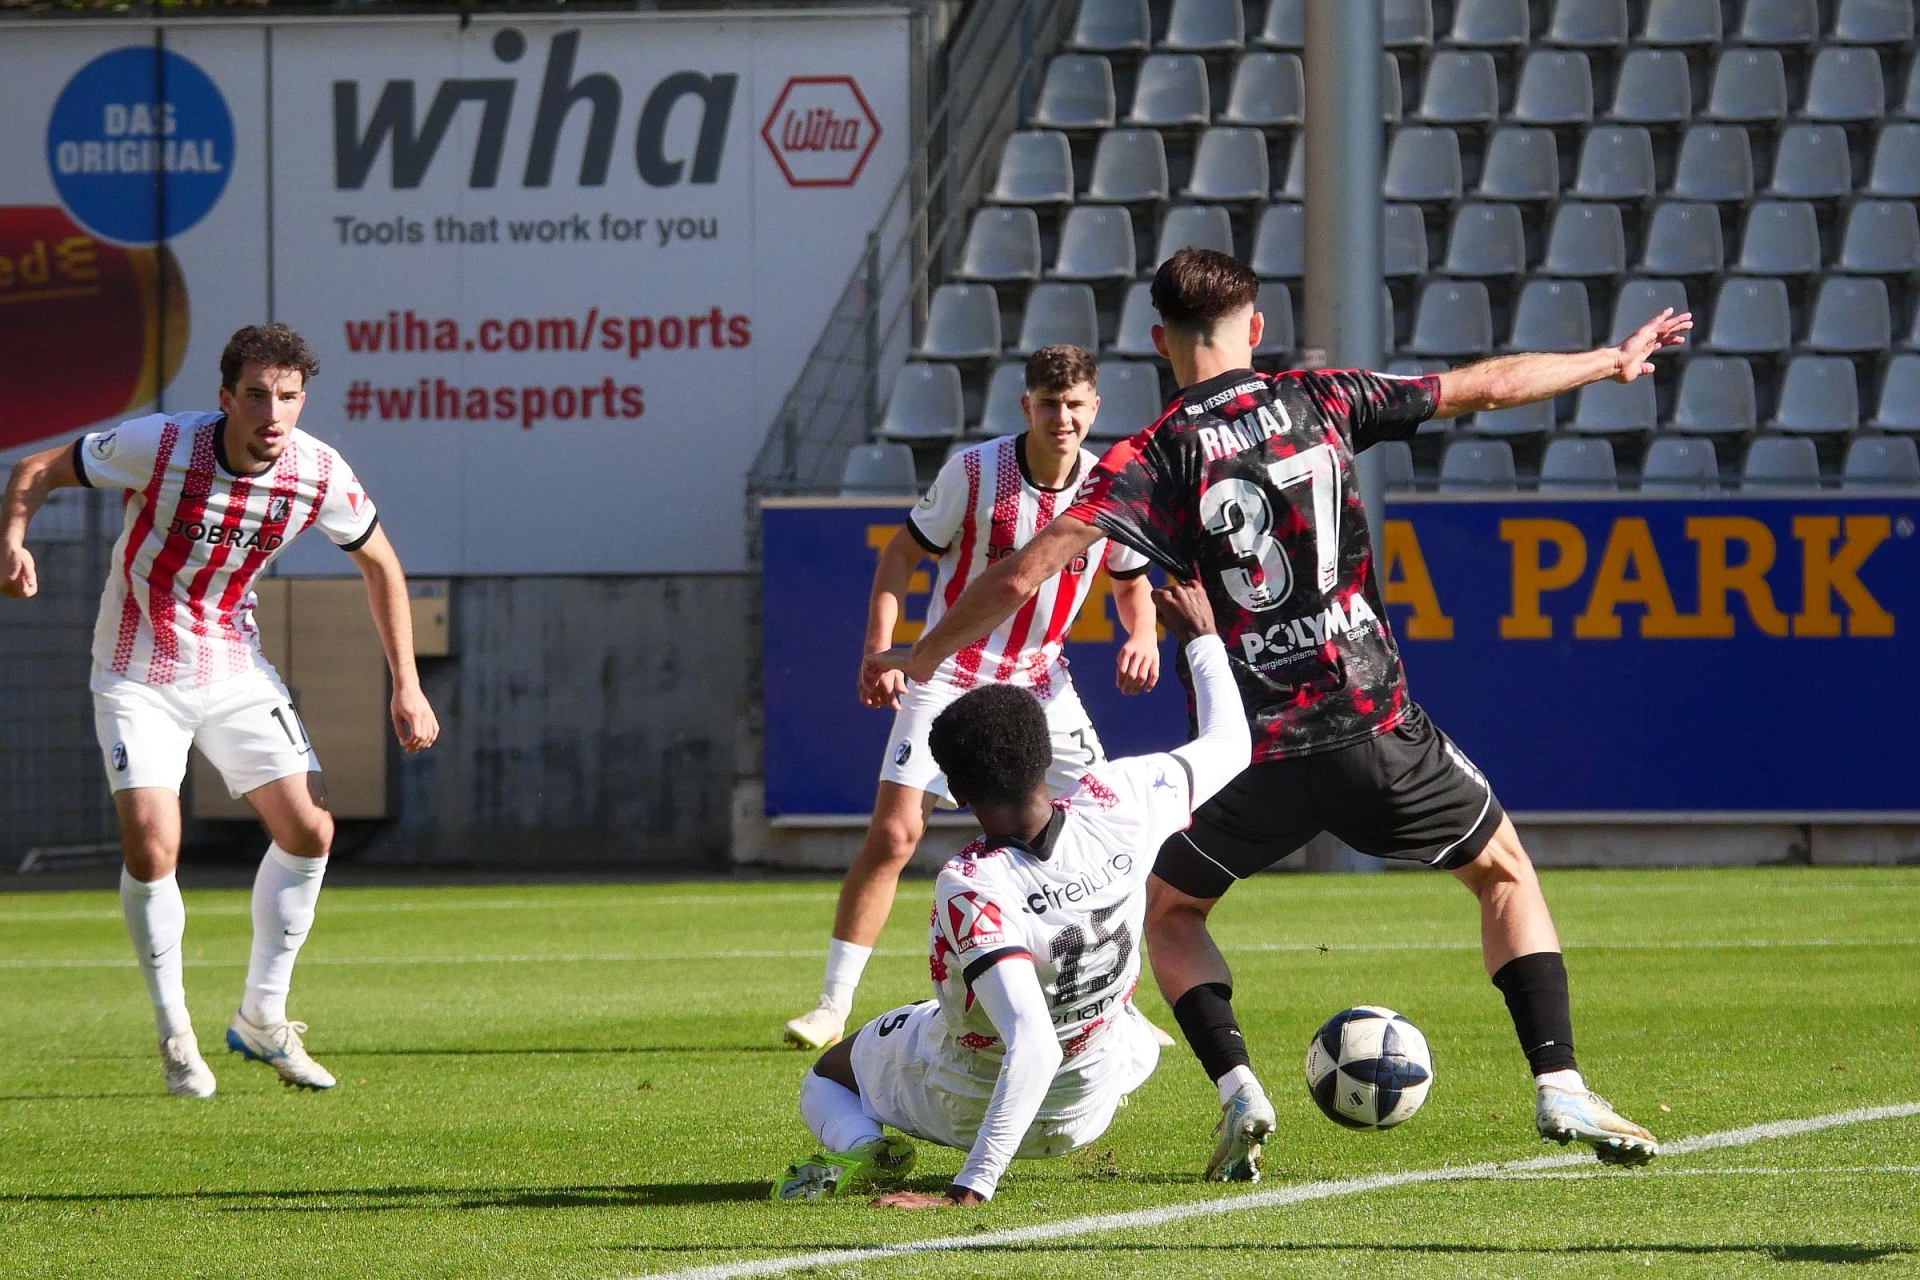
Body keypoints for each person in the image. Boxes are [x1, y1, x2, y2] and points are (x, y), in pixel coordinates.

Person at [869, 249, 1691, 1179]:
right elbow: (1485, 387)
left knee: (1170, 912)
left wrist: (918, 656)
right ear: (1255, 328)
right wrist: (1609, 361)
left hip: (1250, 754)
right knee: (1503, 874)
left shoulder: (1148, 456)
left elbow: (1025, 573)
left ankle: (1239, 1090)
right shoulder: (1322, 397)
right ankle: (1559, 1082)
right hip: (1373, 725)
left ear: (1159, 343)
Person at [1, 323, 439, 1097]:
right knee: (153, 845)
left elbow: (382, 565)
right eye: (258, 396)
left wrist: (407, 682)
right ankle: (175, 1034)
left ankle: (263, 1017)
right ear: (226, 398)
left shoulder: (317, 473)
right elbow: (37, 467)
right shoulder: (163, 444)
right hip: (137, 671)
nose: (273, 413)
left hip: (234, 667)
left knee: (311, 829)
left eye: (289, 397)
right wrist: (13, 539)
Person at [775, 578, 1249, 1205]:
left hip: (967, 1108)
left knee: (828, 1076)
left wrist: (970, 1187)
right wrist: (1203, 639)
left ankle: (864, 1145)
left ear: (955, 792)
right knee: (1119, 1022)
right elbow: (1232, 744)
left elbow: (1033, 1044)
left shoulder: (972, 882)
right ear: (1046, 755)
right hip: (1092, 1097)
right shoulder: (1124, 797)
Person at [784, 345, 1164, 1052]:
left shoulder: (1110, 486)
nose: (1062, 418)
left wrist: (1141, 634)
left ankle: (1116, 1003)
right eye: (1048, 405)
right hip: (949, 674)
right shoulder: (976, 471)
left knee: (1108, 832)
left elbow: (1131, 580)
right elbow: (900, 555)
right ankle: (832, 1005)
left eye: (1074, 405)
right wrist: (881, 649)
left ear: (1095, 408)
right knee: (896, 834)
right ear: (1026, 406)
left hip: (1041, 682)